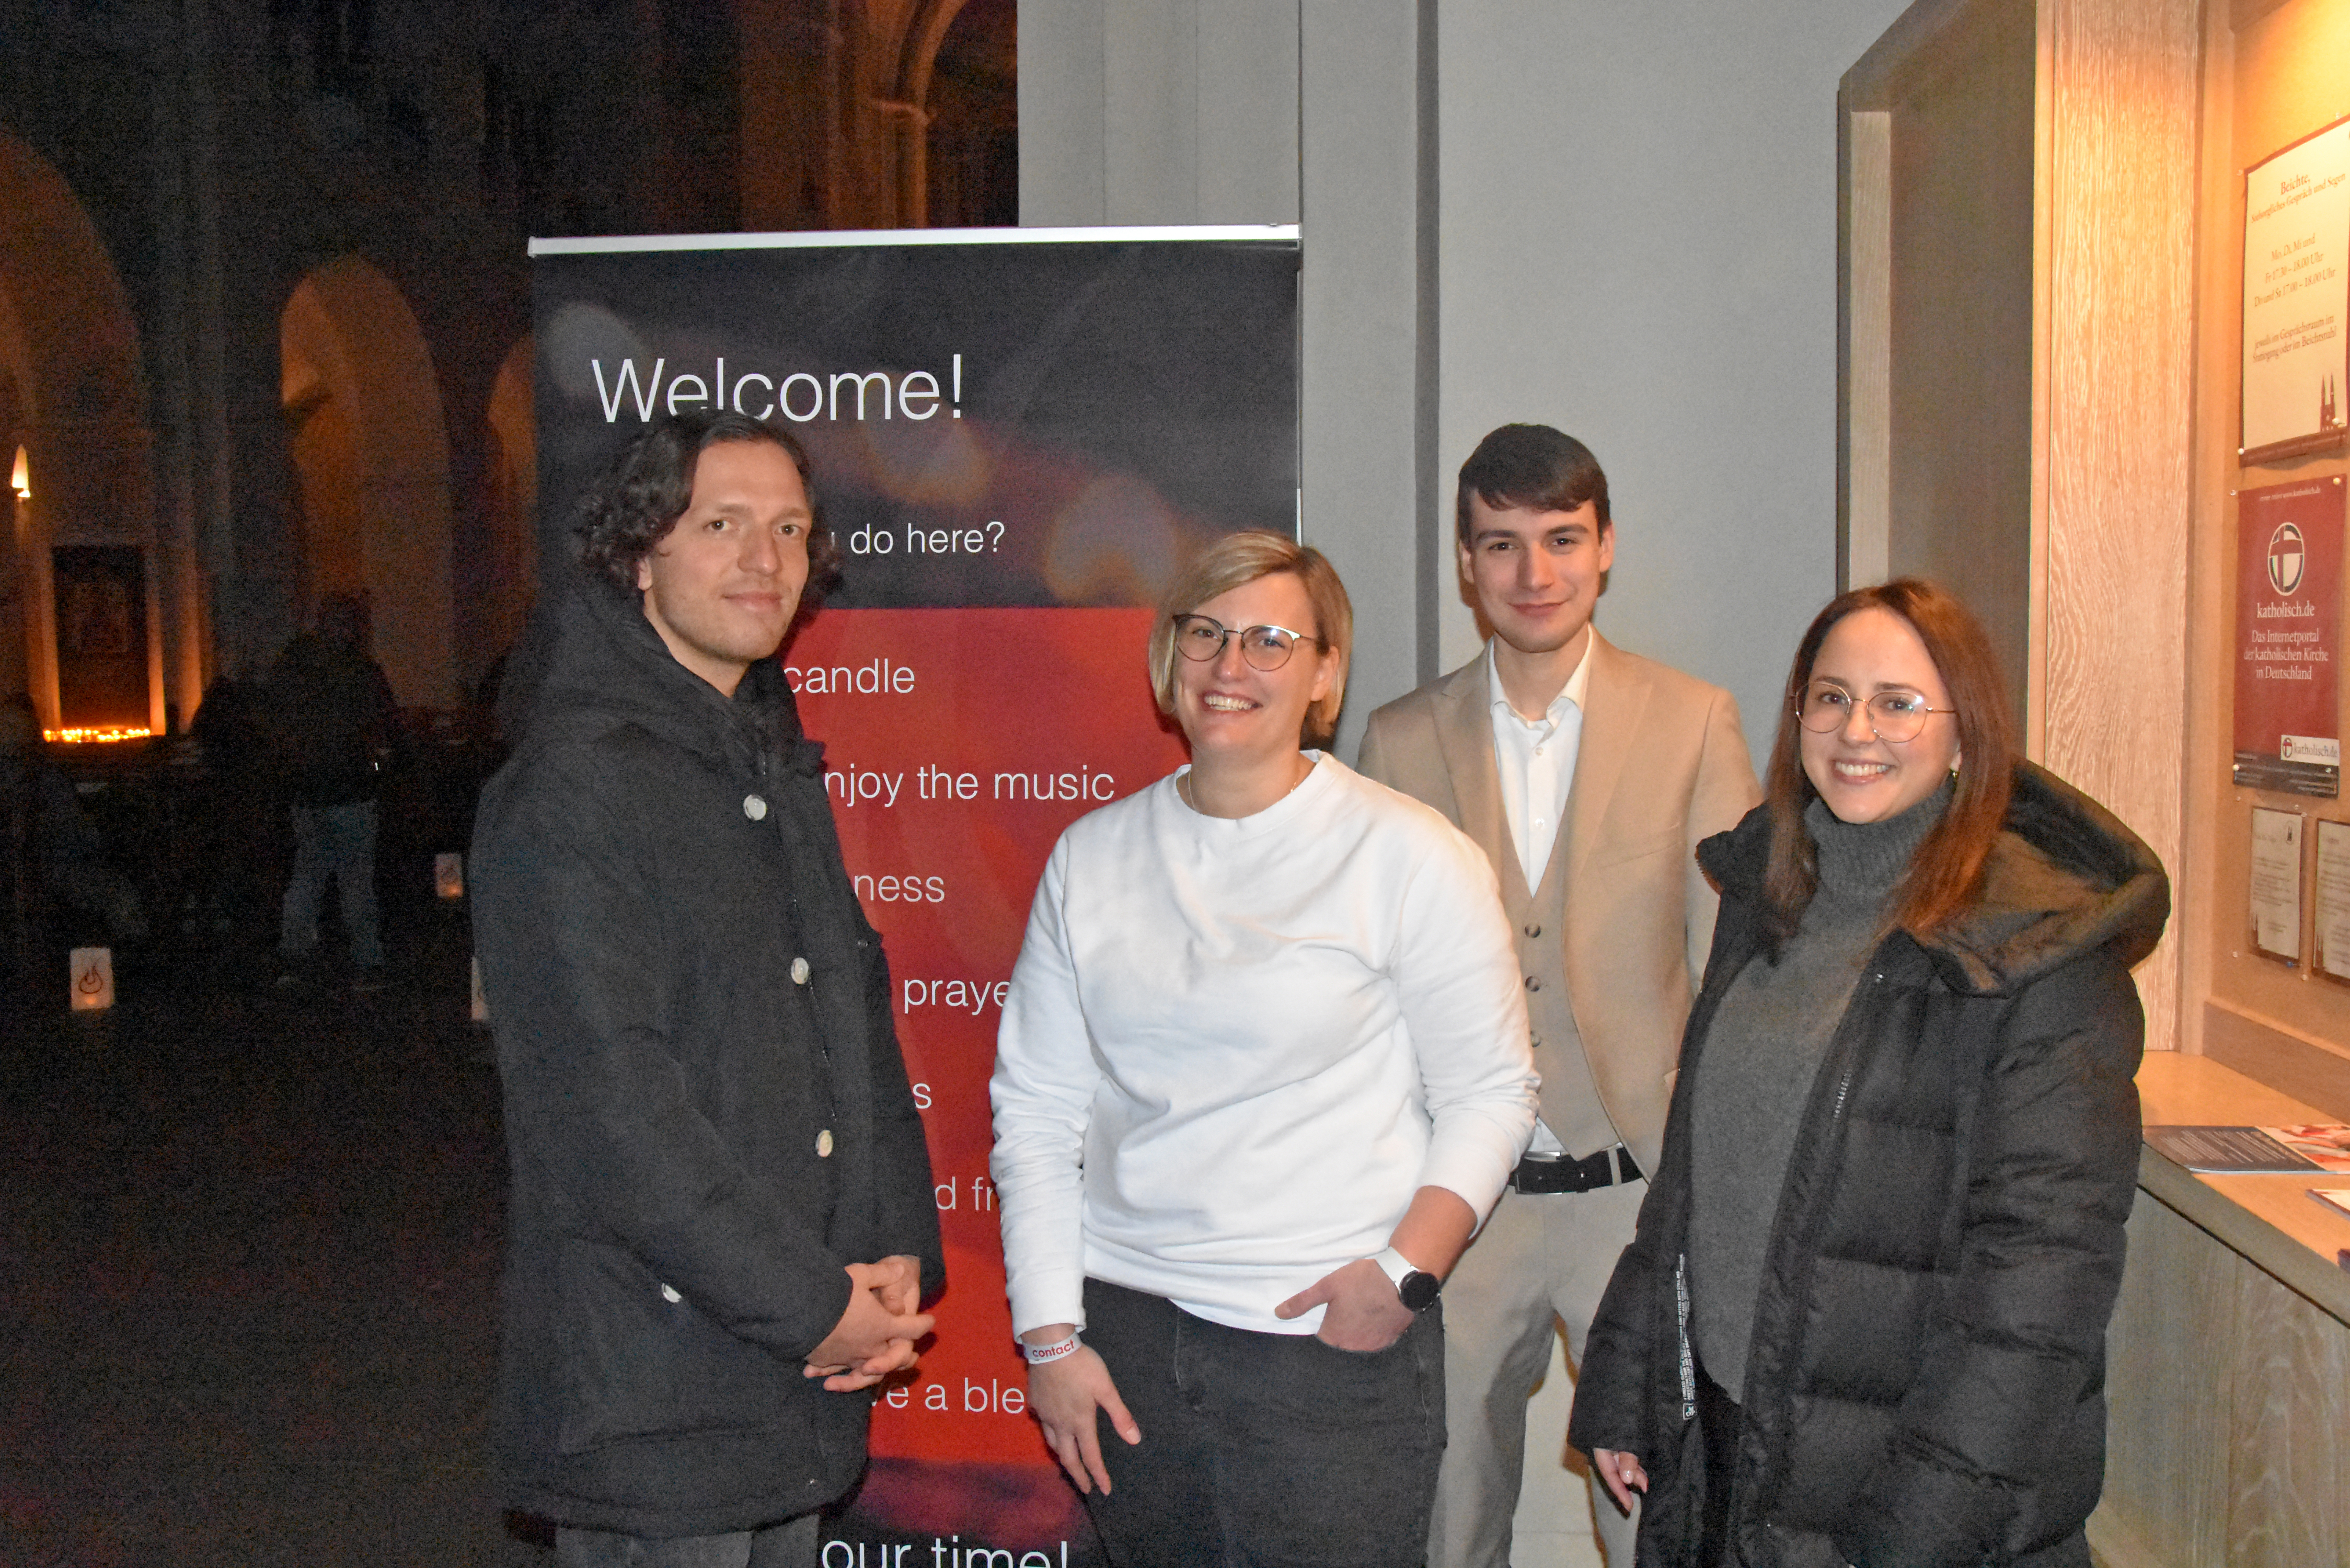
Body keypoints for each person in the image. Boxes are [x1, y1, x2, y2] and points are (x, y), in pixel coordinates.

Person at [1569, 579, 2169, 1568]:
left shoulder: (2042, 952)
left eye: (1898, 702)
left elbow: (2037, 1300)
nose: (1858, 729)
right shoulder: (1768, 891)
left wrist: (1908, 1535)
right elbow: (1694, 1172)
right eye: (1831, 696)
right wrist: (1630, 1376)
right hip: (1733, 1460)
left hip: (1906, 1507)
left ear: (1965, 735)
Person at [989, 531, 1539, 1568]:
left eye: (1269, 640)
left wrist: (1402, 1275)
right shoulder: (1091, 859)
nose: (1229, 666)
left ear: (1325, 672)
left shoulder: (1407, 854)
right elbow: (1036, 1111)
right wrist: (1051, 1339)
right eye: (1205, 633)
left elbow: (1492, 1092)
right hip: (1129, 1347)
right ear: (1170, 657)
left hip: (1328, 1349)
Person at [472, 411, 944, 1568]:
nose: (765, 559)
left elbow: (854, 1030)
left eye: (788, 528)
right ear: (639, 556)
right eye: (721, 524)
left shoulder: (767, 760)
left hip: (788, 1380)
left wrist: (893, 1255)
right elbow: (612, 1113)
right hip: (654, 1396)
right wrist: (816, 1306)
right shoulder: (570, 790)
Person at [1355, 423, 1759, 1568]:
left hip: (1631, 1203)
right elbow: (1370, 993)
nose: (1534, 575)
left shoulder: (1693, 723)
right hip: (1457, 1213)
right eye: (1502, 545)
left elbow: (1734, 970)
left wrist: (1699, 1192)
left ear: (1605, 547)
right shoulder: (1396, 739)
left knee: (1657, 1519)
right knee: (1445, 1516)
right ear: (1464, 564)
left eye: (1561, 541)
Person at [266, 590, 399, 984]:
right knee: (356, 876)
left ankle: (295, 955)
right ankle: (367, 960)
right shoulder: (359, 671)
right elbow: (382, 729)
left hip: (306, 790)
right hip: (350, 787)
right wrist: (379, 768)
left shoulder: (293, 667)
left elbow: (276, 723)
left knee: (308, 872)